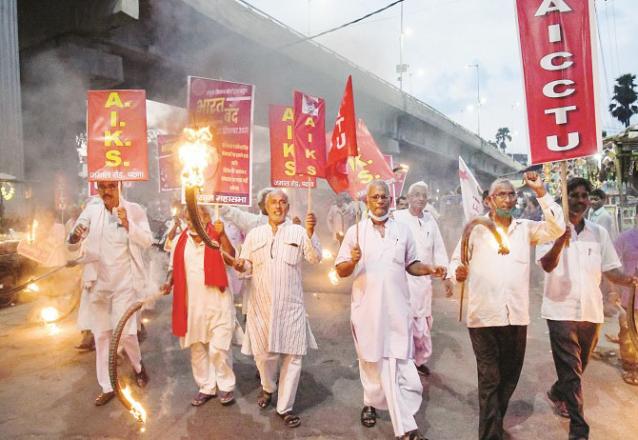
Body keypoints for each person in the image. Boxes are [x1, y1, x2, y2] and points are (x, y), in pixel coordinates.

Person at [450, 172, 565, 440]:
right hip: (484, 318)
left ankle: (494, 421)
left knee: (508, 379)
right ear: (489, 200)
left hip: (516, 317)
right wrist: (458, 272)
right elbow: (456, 261)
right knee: (490, 380)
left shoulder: (526, 228)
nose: (507, 198)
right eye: (501, 194)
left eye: (511, 193)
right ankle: (489, 435)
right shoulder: (475, 229)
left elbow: (558, 228)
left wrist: (541, 191)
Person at [335, 180, 447, 440]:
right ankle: (372, 403)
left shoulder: (403, 230)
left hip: (397, 309)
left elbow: (411, 264)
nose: (380, 201)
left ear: (391, 199)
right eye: (375, 197)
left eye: (384, 196)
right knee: (371, 362)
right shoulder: (356, 232)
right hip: (367, 311)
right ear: (367, 201)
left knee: (399, 365)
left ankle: (406, 427)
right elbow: (340, 271)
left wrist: (430, 268)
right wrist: (351, 261)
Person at [537, 177, 637, 439]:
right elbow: (546, 265)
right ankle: (579, 427)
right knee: (571, 368)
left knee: (579, 364)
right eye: (575, 195)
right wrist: (560, 240)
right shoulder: (549, 229)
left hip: (591, 311)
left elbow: (611, 270)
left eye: (585, 196)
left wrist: (627, 279)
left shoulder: (598, 232)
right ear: (564, 198)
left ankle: (559, 391)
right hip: (560, 309)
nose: (581, 200)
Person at [233, 189, 321, 428]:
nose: (278, 206)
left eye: (283, 202)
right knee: (264, 356)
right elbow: (246, 266)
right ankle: (268, 387)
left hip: (291, 307)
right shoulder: (254, 234)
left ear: (288, 206)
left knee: (293, 358)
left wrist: (311, 234)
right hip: (261, 307)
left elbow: (314, 258)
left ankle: (285, 407)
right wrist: (241, 264)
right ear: (265, 206)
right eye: (274, 202)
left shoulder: (299, 232)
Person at [67, 181, 152, 406]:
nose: (106, 191)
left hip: (125, 284)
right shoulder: (91, 210)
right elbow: (72, 241)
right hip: (98, 285)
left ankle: (138, 367)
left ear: (120, 186)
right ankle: (107, 385)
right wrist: (74, 237)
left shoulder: (134, 210)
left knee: (126, 334)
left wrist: (127, 223)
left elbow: (147, 240)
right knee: (102, 336)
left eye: (111, 186)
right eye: (102, 186)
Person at [162, 206, 240, 407]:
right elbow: (172, 269)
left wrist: (221, 235)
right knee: (197, 347)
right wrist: (168, 282)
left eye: (196, 218)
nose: (191, 222)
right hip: (192, 303)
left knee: (218, 349)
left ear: (206, 218)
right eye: (187, 219)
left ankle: (226, 385)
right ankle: (206, 386)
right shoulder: (181, 240)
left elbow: (231, 258)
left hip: (218, 300)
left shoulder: (215, 234)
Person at [394, 181, 452, 377]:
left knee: (422, 328)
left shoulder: (430, 221)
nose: (420, 198)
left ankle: (419, 360)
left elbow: (439, 249)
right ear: (408, 198)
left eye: (423, 195)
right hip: (401, 281)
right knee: (403, 324)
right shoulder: (397, 217)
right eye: (416, 194)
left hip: (423, 282)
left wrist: (446, 275)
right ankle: (404, 362)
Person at [613, 219, 638, 385]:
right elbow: (611, 263)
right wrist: (613, 290)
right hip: (630, 295)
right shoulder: (625, 237)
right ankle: (631, 367)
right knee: (628, 332)